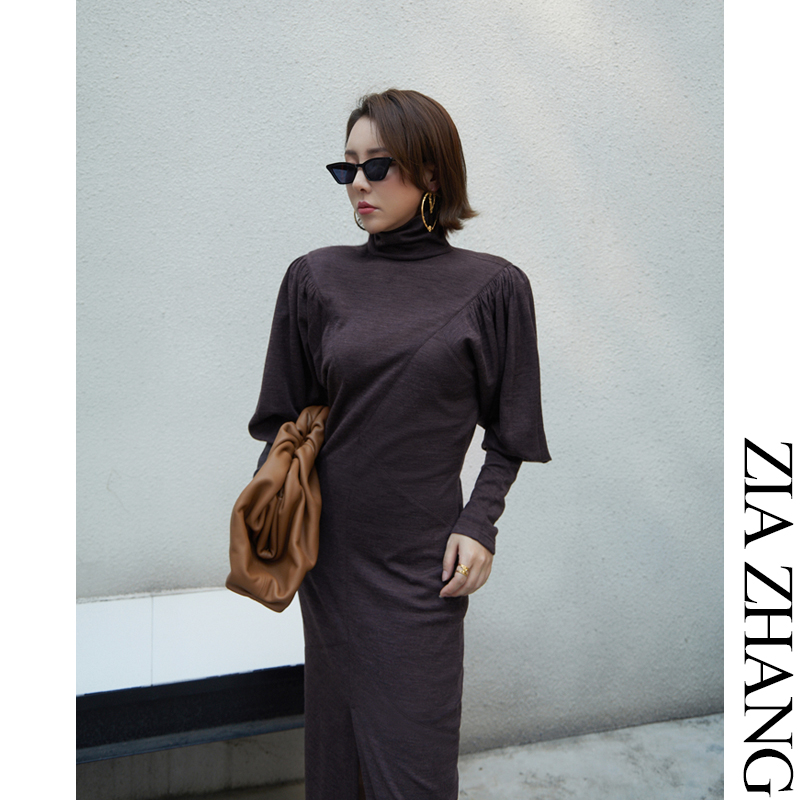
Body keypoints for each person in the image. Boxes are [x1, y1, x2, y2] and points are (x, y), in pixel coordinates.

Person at [249, 89, 551, 800]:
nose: (358, 183)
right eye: (346, 167)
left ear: (432, 172)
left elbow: (512, 433)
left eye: (377, 165)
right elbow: (283, 417)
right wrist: (273, 512)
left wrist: (479, 524)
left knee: (415, 771)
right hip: (328, 559)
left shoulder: (494, 288)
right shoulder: (315, 277)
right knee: (337, 760)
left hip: (421, 566)